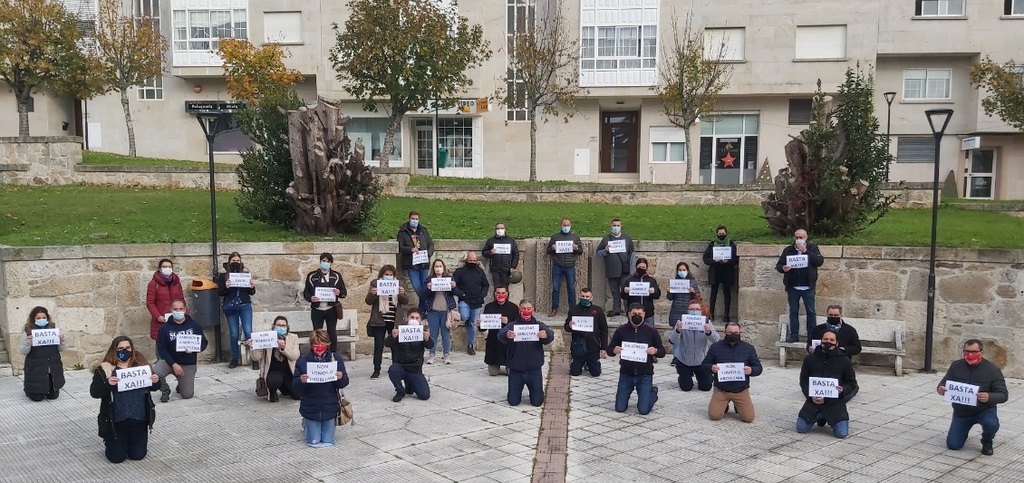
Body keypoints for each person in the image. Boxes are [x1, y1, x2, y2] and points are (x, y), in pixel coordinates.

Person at [90, 336, 160, 463]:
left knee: (138, 455)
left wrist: (156, 380)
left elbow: (155, 387)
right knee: (116, 458)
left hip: (139, 419)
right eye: (120, 348)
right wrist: (108, 384)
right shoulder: (105, 369)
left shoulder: (141, 366)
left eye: (128, 348)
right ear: (114, 350)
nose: (125, 351)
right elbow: (94, 392)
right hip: (116, 422)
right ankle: (110, 441)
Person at [937, 339, 1009, 456]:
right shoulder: (956, 366)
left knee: (991, 424)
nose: (970, 355)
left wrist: (989, 397)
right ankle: (962, 432)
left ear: (982, 352)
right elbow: (943, 384)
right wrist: (941, 389)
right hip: (962, 412)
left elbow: (1003, 395)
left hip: (984, 410)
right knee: (953, 445)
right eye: (967, 351)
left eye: (974, 352)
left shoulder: (992, 370)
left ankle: (987, 440)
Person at [292, 330, 350, 448]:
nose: (319, 348)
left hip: (330, 406)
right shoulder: (303, 360)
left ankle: (321, 427)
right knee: (314, 441)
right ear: (311, 345)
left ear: (328, 344)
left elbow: (344, 383)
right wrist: (301, 381)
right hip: (310, 406)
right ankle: (307, 424)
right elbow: (295, 386)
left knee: (328, 440)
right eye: (316, 344)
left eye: (322, 344)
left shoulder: (336, 359)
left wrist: (341, 377)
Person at [797, 330, 857, 439]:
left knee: (842, 434)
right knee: (801, 428)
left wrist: (843, 389)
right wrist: (810, 395)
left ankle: (828, 417)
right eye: (825, 339)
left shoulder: (845, 360)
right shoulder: (810, 359)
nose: (828, 342)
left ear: (837, 343)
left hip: (835, 404)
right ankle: (820, 416)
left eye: (831, 340)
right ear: (821, 341)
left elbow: (852, 383)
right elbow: (803, 381)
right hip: (813, 404)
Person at [607, 303, 666, 415]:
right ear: (629, 314)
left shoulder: (651, 331)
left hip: (644, 375)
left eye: (639, 313)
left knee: (643, 410)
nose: (637, 316)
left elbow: (662, 351)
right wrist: (614, 350)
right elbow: (609, 349)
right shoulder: (621, 330)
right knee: (620, 408)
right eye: (634, 313)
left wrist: (655, 351)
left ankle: (652, 393)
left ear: (644, 314)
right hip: (626, 374)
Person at [703, 322, 763, 423]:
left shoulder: (748, 348)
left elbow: (758, 367)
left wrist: (751, 370)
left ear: (740, 332)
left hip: (741, 390)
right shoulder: (715, 347)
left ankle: (737, 404)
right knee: (714, 416)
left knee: (748, 418)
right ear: (725, 332)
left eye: (736, 332)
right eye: (730, 333)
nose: (733, 335)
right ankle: (724, 404)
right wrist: (711, 367)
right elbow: (704, 364)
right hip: (721, 389)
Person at [498, 299, 554, 406]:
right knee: (513, 402)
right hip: (516, 370)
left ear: (533, 310)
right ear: (519, 310)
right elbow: (500, 334)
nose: (526, 311)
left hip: (534, 370)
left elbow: (550, 334)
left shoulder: (539, 325)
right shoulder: (512, 325)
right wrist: (507, 335)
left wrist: (546, 335)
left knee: (537, 402)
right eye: (523, 309)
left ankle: (537, 392)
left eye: (529, 309)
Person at [153, 299, 208, 403]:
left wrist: (195, 349)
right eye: (175, 309)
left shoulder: (194, 325)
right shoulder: (164, 328)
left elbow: (204, 343)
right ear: (171, 310)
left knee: (187, 395)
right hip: (169, 362)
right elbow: (162, 349)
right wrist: (173, 364)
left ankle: (181, 385)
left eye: (181, 309)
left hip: (187, 363)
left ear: (185, 309)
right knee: (155, 372)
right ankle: (165, 389)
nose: (178, 311)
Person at [776, 229, 825, 342]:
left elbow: (819, 261)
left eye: (801, 237)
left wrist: (805, 251)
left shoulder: (812, 248)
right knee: (793, 311)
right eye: (797, 237)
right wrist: (783, 268)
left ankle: (811, 336)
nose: (799, 240)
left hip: (808, 286)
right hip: (793, 286)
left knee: (811, 311)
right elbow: (779, 265)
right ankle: (794, 335)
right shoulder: (788, 250)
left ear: (806, 238)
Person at [807, 305, 863, 401]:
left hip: (841, 365)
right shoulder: (817, 329)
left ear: (841, 315)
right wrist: (810, 348)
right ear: (827, 314)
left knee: (844, 392)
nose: (833, 317)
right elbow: (809, 343)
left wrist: (843, 349)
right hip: (821, 364)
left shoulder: (850, 330)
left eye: (836, 315)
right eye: (830, 315)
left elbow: (857, 347)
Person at [365, 265, 409, 379]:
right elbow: (368, 301)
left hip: (394, 320)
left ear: (394, 275)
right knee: (378, 346)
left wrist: (402, 293)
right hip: (379, 320)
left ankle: (396, 368)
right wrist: (372, 294)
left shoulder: (398, 284)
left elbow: (405, 301)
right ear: (382, 275)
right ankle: (376, 370)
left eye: (390, 274)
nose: (388, 276)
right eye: (386, 274)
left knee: (395, 346)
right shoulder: (375, 284)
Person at [384, 308, 433, 402]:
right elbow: (387, 343)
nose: (414, 320)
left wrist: (427, 339)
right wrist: (392, 336)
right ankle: (400, 391)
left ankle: (410, 383)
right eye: (412, 317)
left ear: (420, 320)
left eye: (417, 318)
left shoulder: (422, 331)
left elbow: (430, 346)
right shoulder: (400, 329)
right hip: (401, 364)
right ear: (407, 318)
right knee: (393, 370)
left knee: (424, 395)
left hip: (415, 368)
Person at [669, 300, 719, 391]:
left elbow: (716, 340)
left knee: (706, 387)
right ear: (688, 311)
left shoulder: (706, 322)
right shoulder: (681, 322)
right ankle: (683, 377)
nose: (694, 311)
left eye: (697, 309)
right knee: (686, 387)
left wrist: (709, 332)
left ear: (701, 311)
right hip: (684, 360)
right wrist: (677, 330)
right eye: (692, 309)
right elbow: (672, 340)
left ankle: (707, 377)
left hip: (701, 361)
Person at [248, 316, 300, 402]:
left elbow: (295, 356)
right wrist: (254, 347)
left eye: (283, 325)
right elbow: (256, 357)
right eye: (278, 325)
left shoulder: (293, 337)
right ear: (274, 326)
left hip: (288, 371)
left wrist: (284, 347)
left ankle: (284, 387)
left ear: (287, 327)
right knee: (274, 380)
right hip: (273, 370)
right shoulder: (267, 337)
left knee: (297, 395)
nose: (281, 327)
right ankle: (272, 391)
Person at [302, 252, 347, 353]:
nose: (325, 263)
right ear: (320, 261)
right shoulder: (312, 276)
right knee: (317, 333)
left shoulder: (336, 276)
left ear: (331, 263)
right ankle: (316, 353)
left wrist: (339, 292)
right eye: (324, 261)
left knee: (332, 333)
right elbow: (306, 292)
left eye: (328, 261)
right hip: (317, 309)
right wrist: (311, 298)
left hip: (331, 309)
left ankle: (332, 354)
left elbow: (344, 292)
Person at [19, 306, 66, 401]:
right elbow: (24, 351)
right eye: (38, 318)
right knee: (37, 398)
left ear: (47, 318)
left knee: (53, 397)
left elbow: (61, 349)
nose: (41, 320)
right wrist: (28, 343)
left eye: (44, 317)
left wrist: (62, 341)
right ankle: (31, 390)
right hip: (35, 368)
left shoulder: (53, 329)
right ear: (33, 318)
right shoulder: (28, 330)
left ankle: (50, 387)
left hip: (52, 366)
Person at [219, 251, 257, 369]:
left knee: (248, 331)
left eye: (237, 261)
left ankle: (255, 357)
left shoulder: (245, 274)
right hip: (231, 306)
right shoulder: (223, 276)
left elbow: (251, 292)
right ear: (229, 262)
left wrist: (252, 286)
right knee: (234, 333)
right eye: (233, 261)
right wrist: (226, 286)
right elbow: (220, 292)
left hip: (244, 304)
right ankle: (234, 358)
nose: (235, 262)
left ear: (240, 262)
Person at [563, 288, 608, 377]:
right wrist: (570, 325)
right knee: (574, 373)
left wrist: (603, 348)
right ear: (579, 297)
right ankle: (579, 362)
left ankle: (589, 363)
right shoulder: (573, 310)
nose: (585, 298)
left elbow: (604, 329)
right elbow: (566, 327)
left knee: (596, 373)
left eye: (587, 297)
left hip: (593, 347)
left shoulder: (598, 310)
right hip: (578, 347)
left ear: (591, 298)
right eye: (583, 296)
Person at [596, 218, 635, 317]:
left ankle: (628, 310)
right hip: (612, 270)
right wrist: (605, 250)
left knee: (626, 291)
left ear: (621, 226)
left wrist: (632, 269)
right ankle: (616, 309)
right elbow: (598, 253)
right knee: (615, 292)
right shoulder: (606, 239)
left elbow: (632, 254)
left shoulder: (627, 239)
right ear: (611, 226)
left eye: (618, 225)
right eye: (614, 225)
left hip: (624, 270)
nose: (616, 227)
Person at [421, 259, 457, 364]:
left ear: (443, 267)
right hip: (433, 311)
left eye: (440, 266)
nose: (438, 268)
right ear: (433, 268)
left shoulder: (449, 278)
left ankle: (446, 355)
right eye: (436, 266)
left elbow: (456, 292)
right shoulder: (428, 279)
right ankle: (432, 354)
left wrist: (454, 286)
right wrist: (428, 288)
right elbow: (423, 295)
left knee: (446, 334)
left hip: (446, 311)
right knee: (433, 335)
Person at [453, 251, 489, 356]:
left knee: (473, 324)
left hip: (476, 301)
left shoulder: (480, 272)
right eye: (470, 260)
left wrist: (482, 295)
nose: (472, 262)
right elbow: (454, 285)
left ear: (476, 261)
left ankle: (470, 345)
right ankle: (467, 321)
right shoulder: (460, 271)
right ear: (466, 260)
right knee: (464, 316)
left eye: (474, 260)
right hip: (464, 299)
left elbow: (485, 285)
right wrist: (461, 293)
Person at [545, 218, 583, 317]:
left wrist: (576, 248)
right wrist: (552, 248)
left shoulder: (575, 237)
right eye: (564, 225)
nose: (566, 227)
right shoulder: (555, 237)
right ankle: (554, 308)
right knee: (556, 288)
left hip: (570, 266)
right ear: (561, 226)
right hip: (557, 265)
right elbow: (548, 251)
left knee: (571, 288)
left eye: (567, 225)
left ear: (570, 226)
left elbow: (580, 251)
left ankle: (573, 309)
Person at [480, 286, 519, 376]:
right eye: (498, 293)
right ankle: (495, 364)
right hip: (494, 342)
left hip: (508, 342)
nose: (500, 295)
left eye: (503, 293)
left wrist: (508, 321)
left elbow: (518, 326)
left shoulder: (513, 308)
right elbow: (483, 328)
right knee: (493, 373)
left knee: (511, 373)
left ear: (507, 294)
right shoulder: (489, 307)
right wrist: (480, 324)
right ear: (495, 294)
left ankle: (509, 365)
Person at [702, 225, 738, 323]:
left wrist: (728, 261)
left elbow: (735, 259)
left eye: (723, 233)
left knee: (727, 294)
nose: (721, 235)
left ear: (726, 233)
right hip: (715, 272)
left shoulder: (731, 244)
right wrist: (714, 261)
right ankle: (711, 314)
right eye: (720, 234)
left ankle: (726, 315)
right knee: (713, 294)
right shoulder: (712, 245)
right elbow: (705, 258)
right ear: (717, 234)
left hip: (727, 272)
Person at [146, 258, 185, 342]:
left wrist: (184, 313)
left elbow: (181, 299)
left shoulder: (176, 282)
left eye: (169, 267)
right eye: (164, 267)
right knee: (162, 344)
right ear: (160, 269)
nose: (167, 269)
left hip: (176, 318)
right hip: (161, 320)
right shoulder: (154, 284)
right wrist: (157, 316)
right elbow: (150, 303)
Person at [397, 211, 434, 296]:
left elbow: (431, 244)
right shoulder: (403, 231)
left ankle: (424, 303)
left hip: (423, 263)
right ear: (409, 219)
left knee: (425, 286)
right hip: (412, 264)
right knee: (417, 287)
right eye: (413, 219)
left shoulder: (423, 230)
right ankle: (427, 301)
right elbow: (399, 247)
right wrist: (410, 249)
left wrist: (428, 254)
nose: (415, 221)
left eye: (416, 219)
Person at [620, 258, 661, 327]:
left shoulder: (651, 280)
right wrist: (625, 291)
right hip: (633, 313)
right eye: (639, 267)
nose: (641, 269)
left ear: (646, 268)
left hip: (648, 313)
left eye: (643, 267)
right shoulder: (629, 280)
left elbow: (657, 295)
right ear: (636, 267)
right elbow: (623, 296)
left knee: (649, 331)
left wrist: (654, 291)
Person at [482, 221, 519, 289]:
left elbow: (515, 254)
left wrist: (513, 266)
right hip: (495, 269)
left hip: (507, 269)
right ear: (495, 230)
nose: (500, 230)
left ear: (505, 229)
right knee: (497, 288)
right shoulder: (491, 241)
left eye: (502, 228)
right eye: (498, 228)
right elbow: (484, 253)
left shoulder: (511, 241)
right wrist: (490, 252)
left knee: (505, 289)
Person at [666, 262, 702, 331]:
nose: (682, 272)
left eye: (684, 270)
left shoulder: (692, 281)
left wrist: (694, 292)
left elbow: (698, 297)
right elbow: (669, 298)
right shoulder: (674, 282)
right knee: (676, 333)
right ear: (677, 271)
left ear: (687, 271)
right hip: (676, 311)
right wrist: (669, 291)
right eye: (680, 270)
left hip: (688, 310)